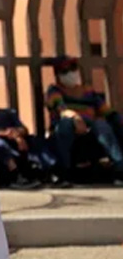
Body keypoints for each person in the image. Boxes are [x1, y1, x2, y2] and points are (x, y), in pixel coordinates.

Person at [47, 56, 123, 185]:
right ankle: (65, 171)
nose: (71, 74)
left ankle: (120, 168)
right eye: (65, 71)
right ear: (58, 75)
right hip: (68, 125)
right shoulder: (54, 90)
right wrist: (75, 117)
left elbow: (105, 109)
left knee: (102, 125)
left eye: (73, 69)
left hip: (91, 125)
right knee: (65, 124)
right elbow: (61, 109)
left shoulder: (88, 90)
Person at [0, 105, 47, 189]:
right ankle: (16, 176)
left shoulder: (7, 113)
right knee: (0, 145)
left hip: (13, 141)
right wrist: (4, 133)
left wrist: (17, 135)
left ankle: (44, 170)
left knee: (35, 140)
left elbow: (23, 129)